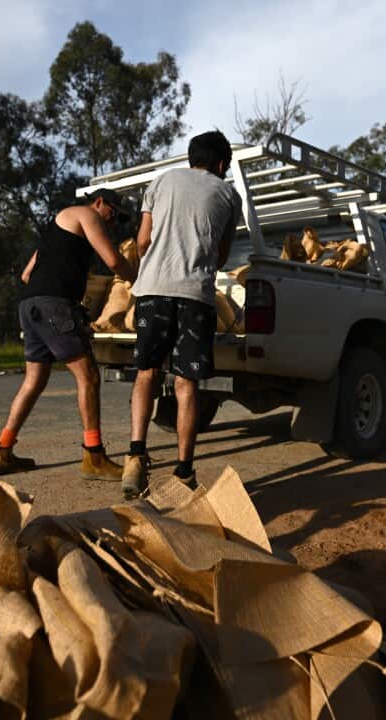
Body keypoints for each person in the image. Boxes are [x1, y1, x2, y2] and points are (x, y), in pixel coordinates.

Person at [123, 131, 242, 500]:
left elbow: (142, 241)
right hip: (195, 296)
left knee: (146, 373)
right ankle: (184, 473)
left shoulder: (161, 182)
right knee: (185, 385)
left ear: (193, 157)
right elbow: (220, 257)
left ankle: (135, 456)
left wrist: (156, 264)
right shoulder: (228, 195)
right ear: (221, 164)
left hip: (152, 291)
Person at [0, 189, 137, 481]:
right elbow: (114, 261)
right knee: (89, 376)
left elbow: (27, 274)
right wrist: (139, 278)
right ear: (99, 203)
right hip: (53, 305)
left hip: (30, 305)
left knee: (34, 380)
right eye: (114, 214)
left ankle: (2, 451)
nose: (112, 222)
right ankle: (94, 456)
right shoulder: (86, 214)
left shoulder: (57, 228)